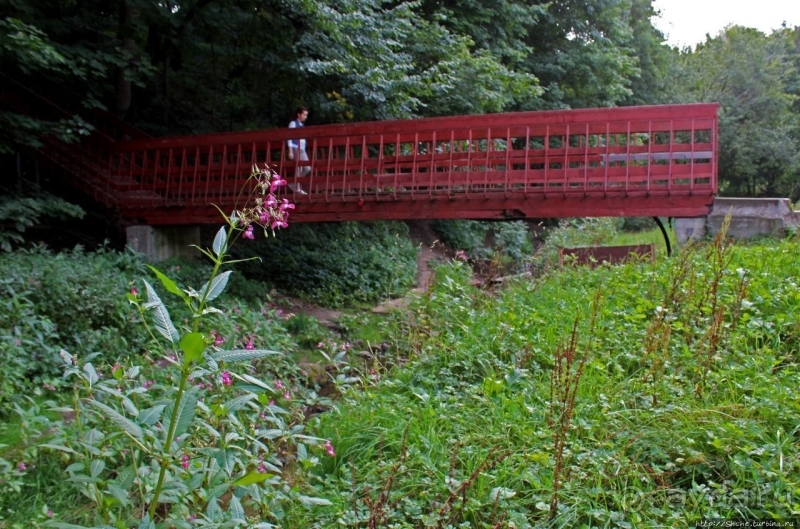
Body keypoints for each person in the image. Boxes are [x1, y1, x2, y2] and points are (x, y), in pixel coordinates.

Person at [287, 107, 309, 194]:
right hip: (296, 147)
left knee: (307, 168)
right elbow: (289, 137)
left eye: (306, 115)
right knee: (299, 167)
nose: (305, 117)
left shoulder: (301, 125)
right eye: (304, 114)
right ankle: (298, 188)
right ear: (298, 114)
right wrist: (290, 150)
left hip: (302, 148)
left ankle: (294, 184)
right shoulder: (293, 123)